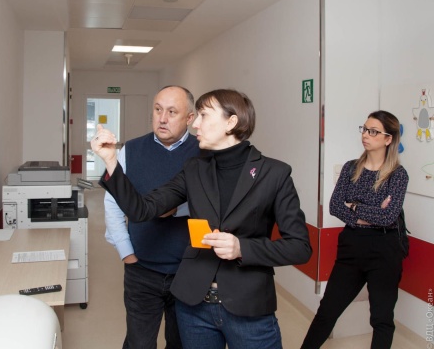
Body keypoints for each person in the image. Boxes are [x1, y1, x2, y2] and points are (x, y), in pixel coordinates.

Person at [92, 88, 312, 349]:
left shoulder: (274, 173)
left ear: (231, 122)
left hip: (248, 306)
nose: (195, 123)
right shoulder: (195, 169)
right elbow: (142, 209)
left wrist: (242, 248)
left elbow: (300, 247)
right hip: (194, 307)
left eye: (204, 116)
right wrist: (111, 162)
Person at [301, 110, 408, 349]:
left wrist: (355, 206)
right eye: (365, 129)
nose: (366, 135)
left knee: (381, 318)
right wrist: (369, 214)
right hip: (352, 246)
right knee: (327, 311)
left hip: (385, 250)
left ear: (388, 139)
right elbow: (335, 206)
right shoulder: (351, 168)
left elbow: (388, 217)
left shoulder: (397, 175)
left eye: (373, 131)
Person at [104, 85, 200, 349]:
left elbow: (215, 205)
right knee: (139, 343)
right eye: (158, 110)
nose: (162, 118)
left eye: (172, 112)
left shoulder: (204, 152)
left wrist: (176, 209)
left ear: (190, 118)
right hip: (142, 269)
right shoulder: (131, 150)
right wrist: (127, 253)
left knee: (181, 342)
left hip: (189, 270)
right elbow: (113, 203)